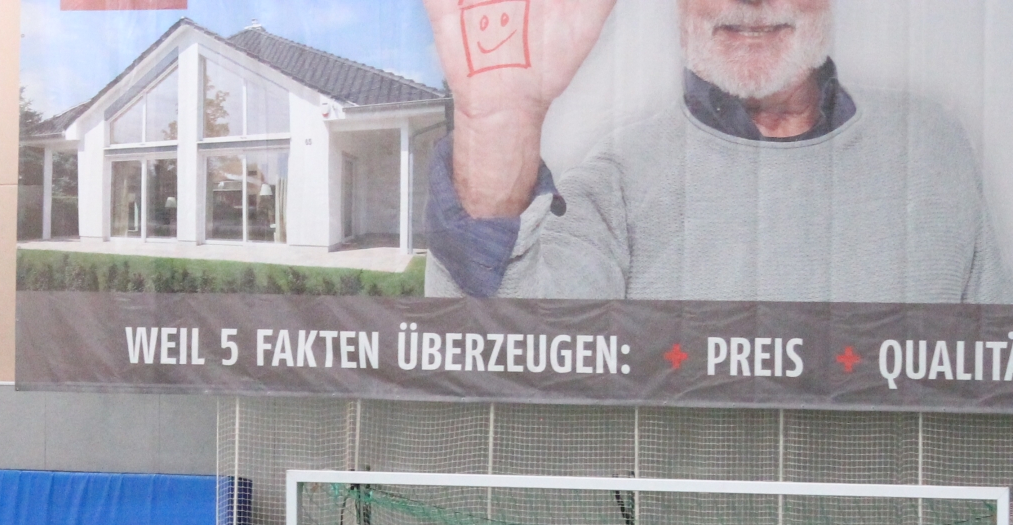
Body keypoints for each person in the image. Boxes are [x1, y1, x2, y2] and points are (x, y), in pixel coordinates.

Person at [422, 0, 1008, 303]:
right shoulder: (620, 180)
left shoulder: (932, 146)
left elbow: (991, 390)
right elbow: (514, 344)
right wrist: (501, 123)